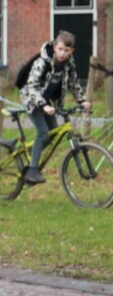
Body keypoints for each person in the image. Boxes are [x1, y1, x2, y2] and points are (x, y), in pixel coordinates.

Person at [19, 30, 91, 185]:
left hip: (47, 102)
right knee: (43, 132)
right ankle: (32, 170)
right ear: (54, 47)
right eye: (60, 49)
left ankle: (33, 153)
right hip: (32, 100)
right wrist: (43, 105)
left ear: (72, 51)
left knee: (52, 134)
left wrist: (82, 100)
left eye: (67, 50)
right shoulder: (42, 62)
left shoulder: (69, 64)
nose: (63, 53)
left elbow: (73, 83)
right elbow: (31, 86)